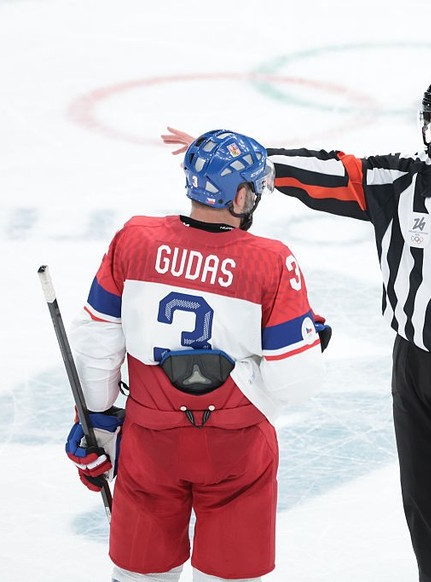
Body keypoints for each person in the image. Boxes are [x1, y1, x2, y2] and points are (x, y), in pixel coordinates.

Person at [163, 70, 431, 582]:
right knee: (426, 507)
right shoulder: (402, 182)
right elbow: (331, 172)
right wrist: (237, 159)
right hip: (413, 368)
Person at [65, 129, 331, 582]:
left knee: (139, 575)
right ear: (242, 195)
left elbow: (97, 346)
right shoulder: (271, 260)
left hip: (149, 441)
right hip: (237, 450)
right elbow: (296, 382)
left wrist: (95, 426)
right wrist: (306, 344)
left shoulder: (135, 238)